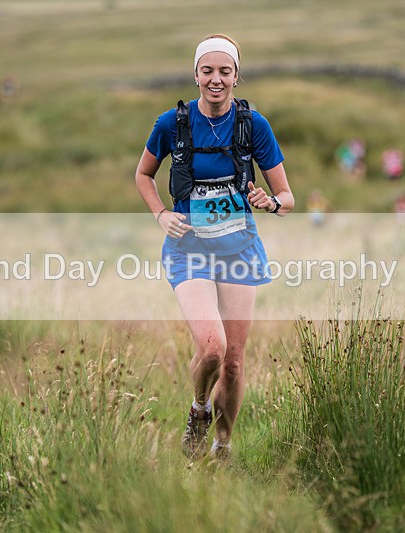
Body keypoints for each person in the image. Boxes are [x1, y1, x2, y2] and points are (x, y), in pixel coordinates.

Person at [134, 35, 294, 461]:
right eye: (208, 70)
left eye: (225, 71)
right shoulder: (172, 123)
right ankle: (199, 409)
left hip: (239, 250)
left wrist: (270, 202)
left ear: (237, 77)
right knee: (212, 347)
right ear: (196, 75)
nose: (216, 79)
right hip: (189, 249)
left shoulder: (254, 126)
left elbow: (287, 198)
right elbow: (143, 175)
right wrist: (161, 214)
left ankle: (222, 448)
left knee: (235, 362)